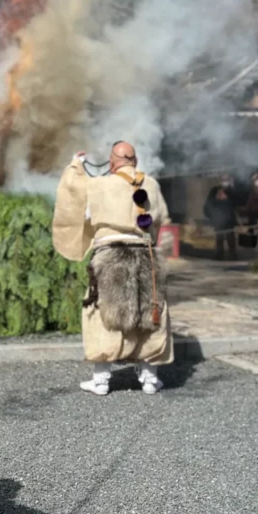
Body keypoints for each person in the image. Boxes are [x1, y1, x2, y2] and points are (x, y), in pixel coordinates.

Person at [52, 141, 172, 396]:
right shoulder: (150, 184)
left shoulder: (100, 184)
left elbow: (74, 197)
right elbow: (160, 218)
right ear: (135, 160)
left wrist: (77, 164)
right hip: (146, 254)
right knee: (149, 313)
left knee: (102, 315)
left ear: (113, 161)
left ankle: (101, 381)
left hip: (110, 255)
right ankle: (150, 379)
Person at [204, 174, 238, 260]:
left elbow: (236, 203)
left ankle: (232, 254)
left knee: (230, 237)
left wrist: (226, 199)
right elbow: (208, 204)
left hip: (229, 218)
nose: (225, 182)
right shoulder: (214, 191)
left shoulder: (231, 191)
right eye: (223, 179)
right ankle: (219, 254)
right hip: (218, 218)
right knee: (219, 238)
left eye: (227, 179)